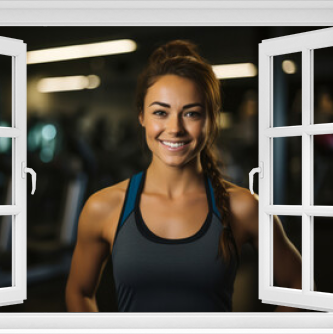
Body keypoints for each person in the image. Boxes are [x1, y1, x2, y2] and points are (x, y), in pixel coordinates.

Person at [65, 40, 302, 312]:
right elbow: (78, 291)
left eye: (191, 113)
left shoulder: (244, 207)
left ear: (211, 119)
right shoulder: (104, 207)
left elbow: (296, 284)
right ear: (142, 116)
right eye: (160, 112)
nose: (175, 128)